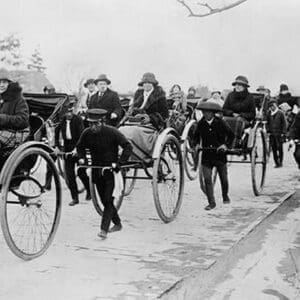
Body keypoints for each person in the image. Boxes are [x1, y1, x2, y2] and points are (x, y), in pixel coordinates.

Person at [76, 109, 132, 239]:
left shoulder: (112, 132)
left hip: (111, 171)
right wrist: (82, 157)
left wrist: (120, 163)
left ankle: (103, 230)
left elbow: (128, 147)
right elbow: (80, 147)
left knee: (108, 199)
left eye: (96, 124)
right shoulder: (87, 133)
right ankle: (117, 224)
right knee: (104, 200)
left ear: (103, 122)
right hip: (96, 170)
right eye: (90, 124)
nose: (93, 127)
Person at [193, 101, 234, 211]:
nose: (206, 114)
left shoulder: (220, 122)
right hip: (206, 155)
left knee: (223, 178)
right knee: (207, 179)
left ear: (213, 113)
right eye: (204, 112)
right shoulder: (201, 123)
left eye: (208, 112)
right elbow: (195, 136)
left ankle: (225, 195)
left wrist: (225, 145)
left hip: (220, 154)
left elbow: (231, 135)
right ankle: (211, 202)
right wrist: (196, 144)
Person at [119, 72, 168, 161]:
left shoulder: (160, 96)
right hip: (136, 122)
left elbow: (164, 115)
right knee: (121, 130)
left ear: (153, 84)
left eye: (149, 83)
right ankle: (127, 154)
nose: (146, 85)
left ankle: (141, 154)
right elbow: (133, 109)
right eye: (144, 83)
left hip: (151, 125)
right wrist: (133, 114)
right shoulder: (139, 94)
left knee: (133, 132)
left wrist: (149, 117)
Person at [54, 99, 91, 206]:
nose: (69, 114)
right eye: (66, 113)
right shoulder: (61, 121)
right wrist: (56, 146)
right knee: (69, 176)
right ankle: (75, 198)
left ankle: (89, 190)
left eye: (70, 112)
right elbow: (56, 134)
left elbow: (82, 135)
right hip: (67, 148)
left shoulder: (78, 119)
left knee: (81, 172)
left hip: (79, 147)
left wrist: (77, 149)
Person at [0, 68, 30, 161]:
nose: (1, 85)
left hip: (16, 132)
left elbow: (23, 120)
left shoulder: (18, 99)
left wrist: (2, 118)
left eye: (4, 82)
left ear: (9, 84)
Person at [223, 75, 256, 150]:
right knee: (223, 120)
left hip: (244, 120)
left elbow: (252, 114)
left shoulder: (250, 97)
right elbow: (224, 109)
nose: (237, 86)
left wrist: (241, 115)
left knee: (238, 121)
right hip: (230, 117)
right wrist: (232, 113)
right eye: (236, 84)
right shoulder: (230, 95)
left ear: (245, 87)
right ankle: (225, 142)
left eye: (240, 85)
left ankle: (236, 142)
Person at [267, 99, 287, 168]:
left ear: (276, 105)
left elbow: (284, 123)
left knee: (280, 148)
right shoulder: (269, 113)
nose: (272, 107)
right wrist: (268, 131)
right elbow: (267, 123)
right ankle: (276, 162)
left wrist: (283, 132)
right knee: (274, 149)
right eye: (271, 106)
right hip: (272, 134)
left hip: (279, 134)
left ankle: (280, 162)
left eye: (274, 105)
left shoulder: (280, 113)